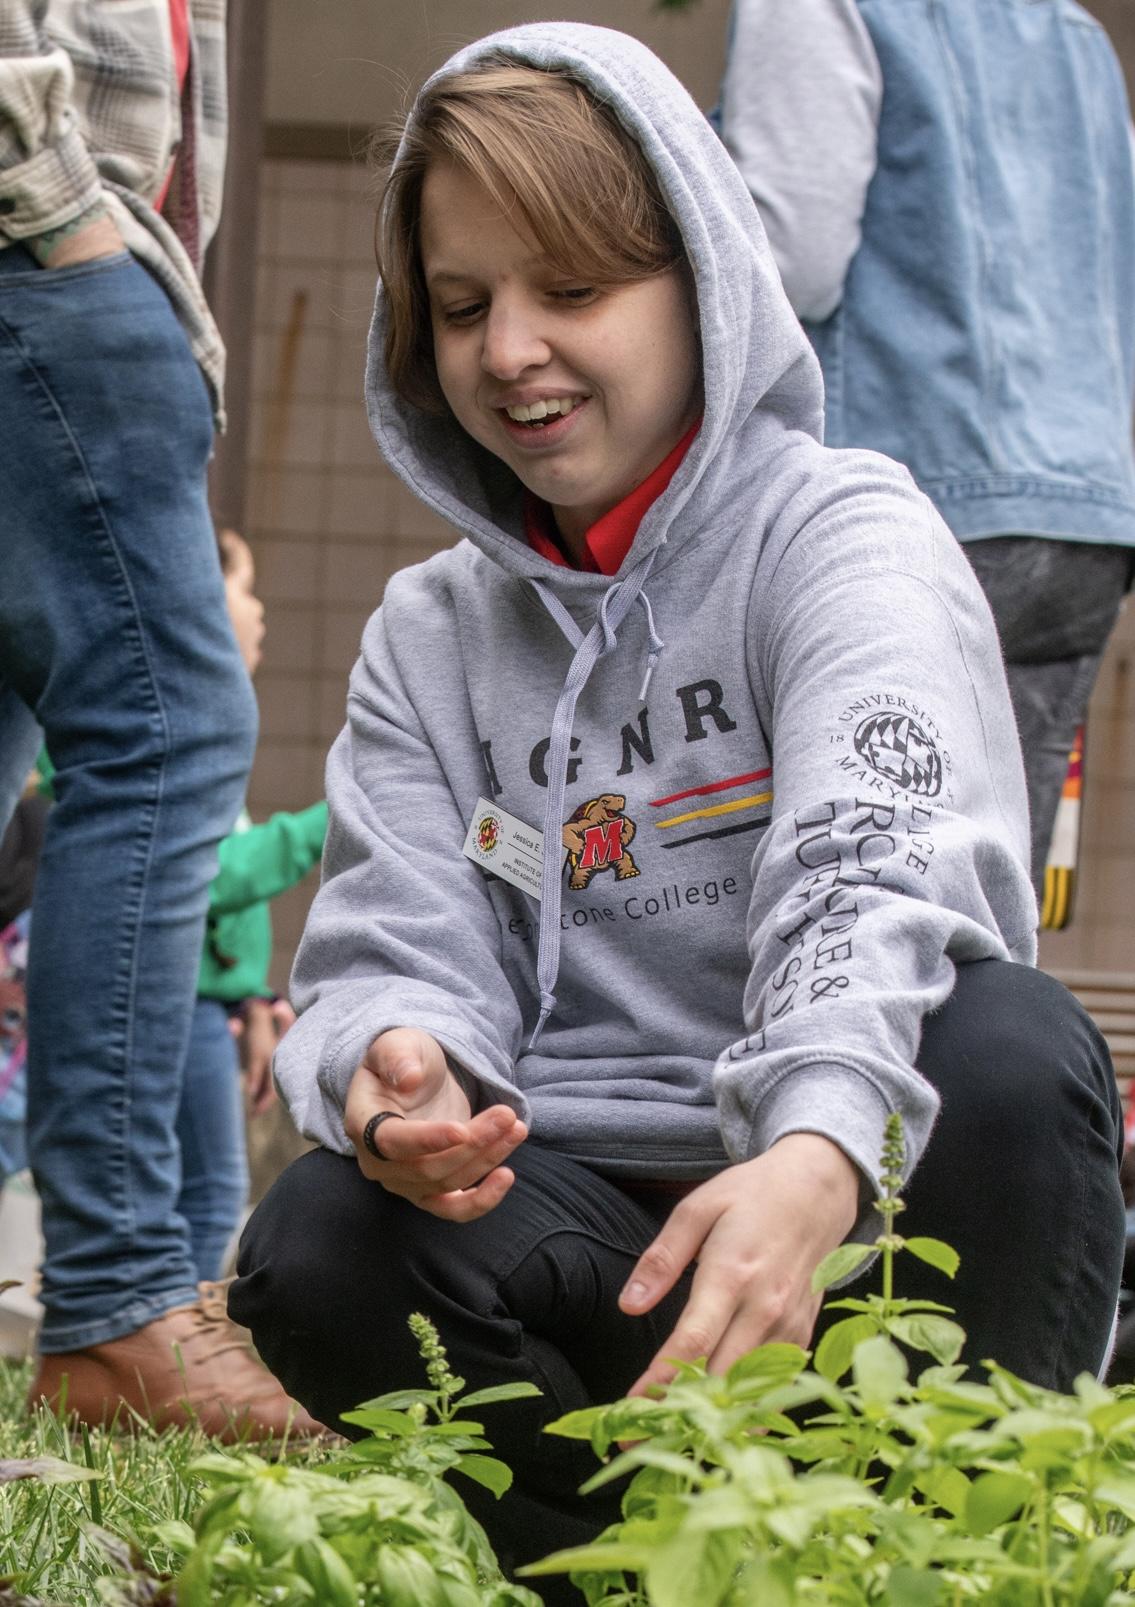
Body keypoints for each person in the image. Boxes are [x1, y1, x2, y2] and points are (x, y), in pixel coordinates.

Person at [229, 24, 1124, 1583]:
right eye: (460, 305)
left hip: (841, 1194)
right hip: (591, 1230)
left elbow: (873, 860)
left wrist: (813, 1145)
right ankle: (640, 1564)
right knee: (316, 1236)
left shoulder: (841, 536)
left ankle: (931, 1549)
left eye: (570, 290)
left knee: (1006, 1049)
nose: (508, 348)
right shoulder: (426, 636)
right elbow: (393, 952)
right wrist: (401, 1074)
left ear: (701, 282)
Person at [0, 2, 317, 1436]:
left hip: (75, 251)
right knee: (171, 729)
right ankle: (122, 1306)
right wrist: (64, 216)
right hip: (44, 238)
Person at [716, 0, 1135, 898]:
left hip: (899, 498)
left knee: (840, 884)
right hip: (1081, 516)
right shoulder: (1075, 34)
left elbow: (793, 257)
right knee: (987, 898)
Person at [175, 528, 327, 1284]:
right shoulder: (178, 721)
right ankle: (174, 1340)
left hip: (207, 1002)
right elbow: (210, 875)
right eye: (244, 587)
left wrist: (256, 995)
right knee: (208, 1193)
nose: (259, 610)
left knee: (202, 1188)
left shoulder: (204, 719)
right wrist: (341, 818)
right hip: (177, 1005)